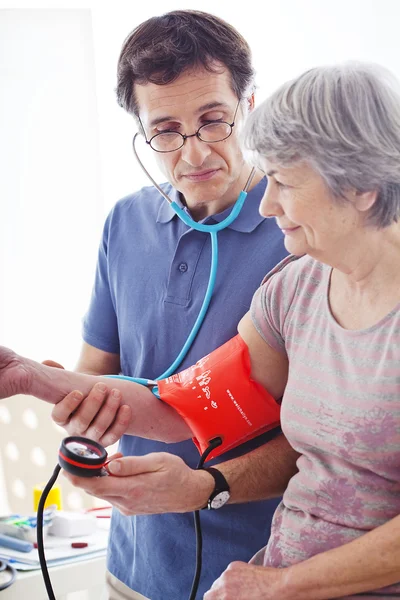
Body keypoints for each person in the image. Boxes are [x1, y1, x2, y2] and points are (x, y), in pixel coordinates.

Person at [5, 59, 400, 599]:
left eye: (283, 181)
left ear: (360, 187)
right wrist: (28, 377)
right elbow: (186, 407)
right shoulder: (295, 290)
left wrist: (281, 584)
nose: (267, 203)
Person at [17, 10, 289, 600]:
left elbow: (323, 440)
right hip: (135, 568)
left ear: (249, 106)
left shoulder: (301, 230)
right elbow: (94, 374)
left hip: (261, 574)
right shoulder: (125, 222)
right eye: (165, 131)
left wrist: (203, 485)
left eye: (213, 120)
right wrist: (75, 407)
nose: (193, 154)